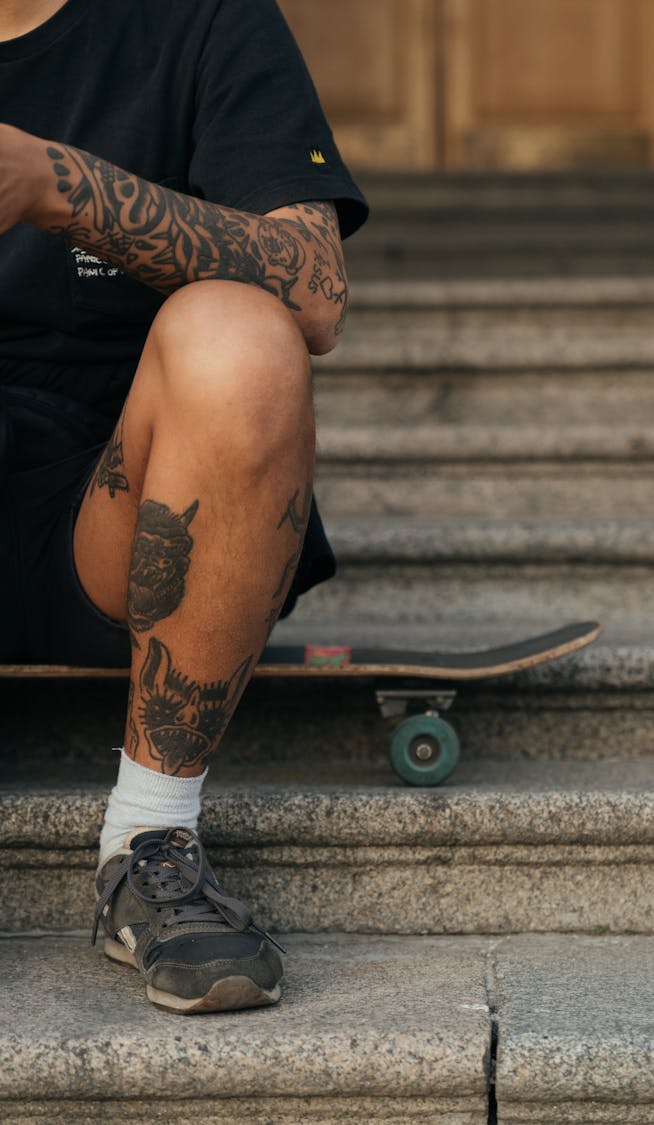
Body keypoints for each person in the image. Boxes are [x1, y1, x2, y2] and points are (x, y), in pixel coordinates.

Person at [0, 0, 368, 1014]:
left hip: (125, 505)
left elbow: (318, 289)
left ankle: (149, 839)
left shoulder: (200, 16)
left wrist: (51, 183)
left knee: (241, 337)